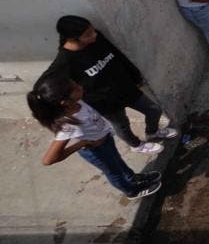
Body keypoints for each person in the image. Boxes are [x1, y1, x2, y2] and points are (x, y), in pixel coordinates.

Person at [42, 15, 176, 154]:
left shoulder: (97, 38)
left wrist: (135, 75)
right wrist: (71, 103)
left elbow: (117, 54)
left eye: (93, 30)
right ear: (72, 38)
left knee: (153, 109)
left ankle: (152, 132)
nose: (94, 35)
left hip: (125, 87)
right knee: (122, 125)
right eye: (88, 34)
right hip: (104, 101)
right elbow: (43, 87)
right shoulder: (64, 61)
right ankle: (136, 145)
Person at [28, 76, 163, 199]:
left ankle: (131, 178)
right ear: (65, 102)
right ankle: (131, 191)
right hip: (96, 151)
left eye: (75, 84)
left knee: (117, 161)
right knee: (113, 172)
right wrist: (82, 143)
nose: (80, 87)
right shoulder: (68, 125)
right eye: (75, 88)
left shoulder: (77, 102)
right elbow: (48, 160)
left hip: (105, 138)